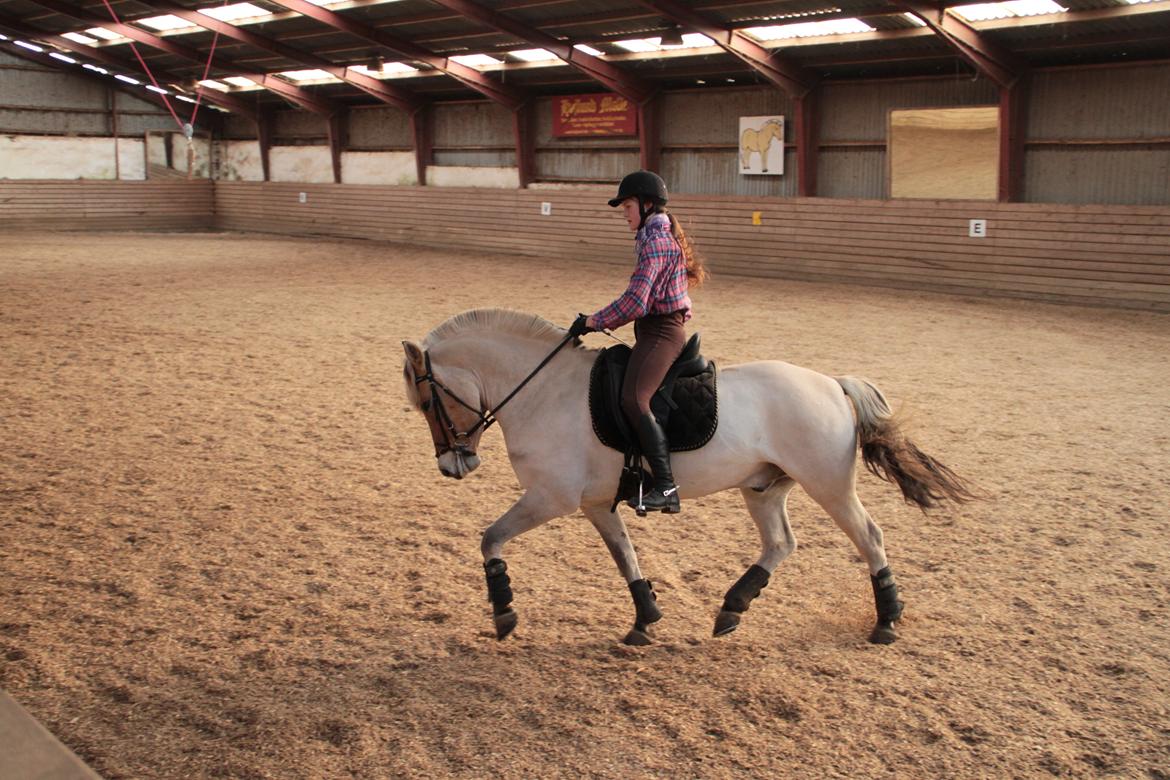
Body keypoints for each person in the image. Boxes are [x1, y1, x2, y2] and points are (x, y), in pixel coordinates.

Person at [569, 170, 707, 514]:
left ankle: (666, 486)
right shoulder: (650, 238)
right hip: (652, 329)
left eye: (628, 205)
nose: (624, 212)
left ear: (647, 205)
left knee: (634, 398)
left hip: (661, 331)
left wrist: (592, 321)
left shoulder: (657, 243)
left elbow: (635, 302)